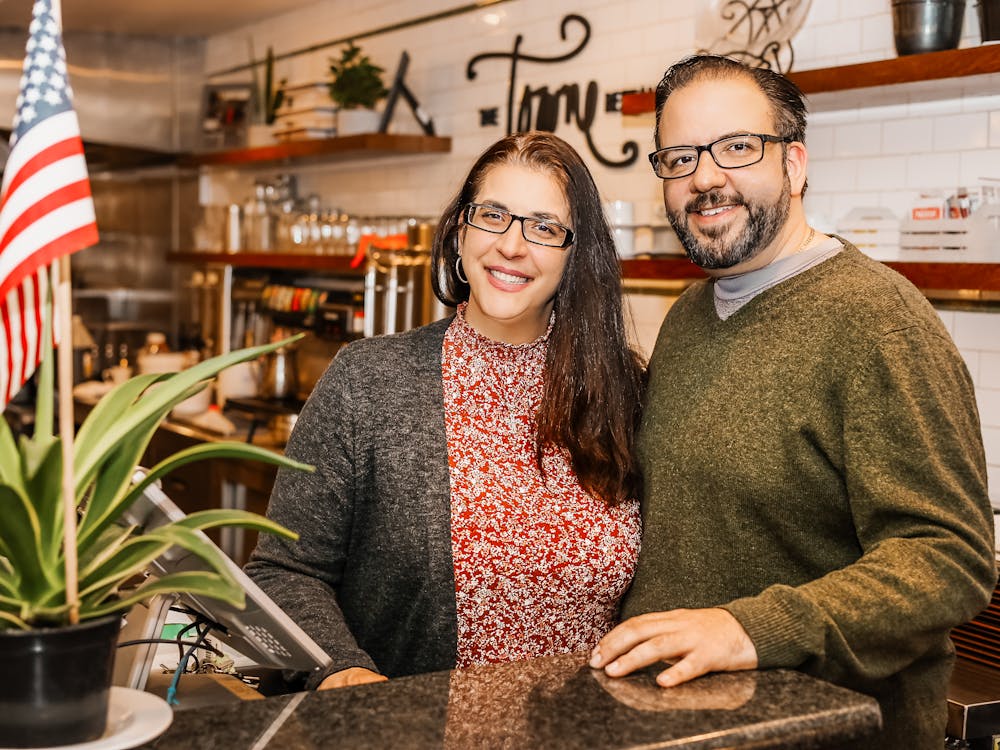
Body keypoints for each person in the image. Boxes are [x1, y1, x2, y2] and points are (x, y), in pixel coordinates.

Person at [589, 54, 996, 749]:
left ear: (796, 165)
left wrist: (750, 627)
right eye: (680, 157)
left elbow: (948, 559)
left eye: (738, 148)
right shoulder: (691, 315)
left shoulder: (878, 321)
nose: (706, 178)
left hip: (823, 732)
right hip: (684, 726)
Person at [246, 131, 645, 691]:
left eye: (544, 227)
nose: (512, 245)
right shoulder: (369, 382)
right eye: (493, 216)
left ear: (575, 256)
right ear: (461, 232)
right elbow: (284, 572)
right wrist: (345, 671)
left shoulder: (624, 389)